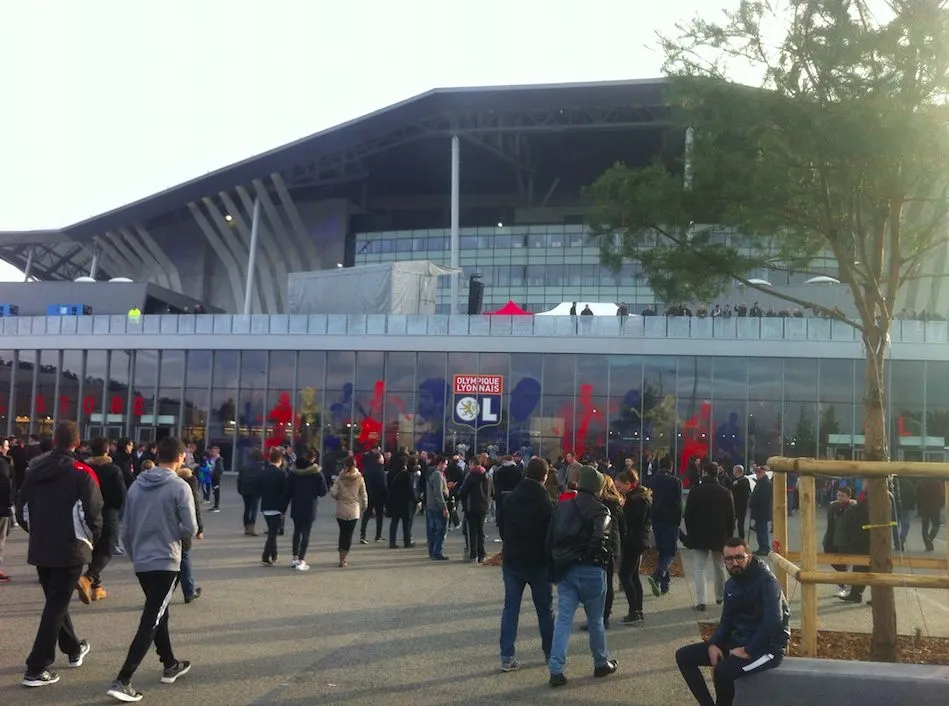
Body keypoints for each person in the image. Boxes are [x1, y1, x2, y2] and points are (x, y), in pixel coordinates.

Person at [107, 436, 196, 702]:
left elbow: (126, 528)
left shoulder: (136, 486)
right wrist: (171, 533)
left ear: (158, 455)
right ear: (180, 458)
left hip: (143, 560)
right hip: (166, 559)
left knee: (159, 612)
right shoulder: (180, 486)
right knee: (152, 617)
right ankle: (124, 678)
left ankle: (169, 663)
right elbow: (190, 528)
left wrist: (135, 554)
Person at [16, 422, 103, 688]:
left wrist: (36, 532)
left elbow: (22, 508)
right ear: (77, 444)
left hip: (42, 546)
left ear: (54, 440)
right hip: (70, 547)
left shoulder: (34, 471)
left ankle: (74, 648)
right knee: (55, 604)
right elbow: (94, 515)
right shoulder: (82, 473)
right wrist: (89, 541)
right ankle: (36, 666)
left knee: (56, 600)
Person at [675, 537, 790, 706]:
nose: (734, 562)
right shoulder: (731, 585)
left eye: (739, 557)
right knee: (684, 656)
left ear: (748, 557)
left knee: (722, 672)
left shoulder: (767, 582)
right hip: (740, 641)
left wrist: (749, 650)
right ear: (724, 560)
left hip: (767, 648)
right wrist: (714, 643)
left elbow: (773, 620)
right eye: (729, 559)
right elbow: (727, 620)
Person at [546, 465, 617, 687]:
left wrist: (555, 568)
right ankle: (600, 662)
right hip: (592, 570)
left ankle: (556, 669)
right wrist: (588, 557)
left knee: (564, 620)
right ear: (597, 487)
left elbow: (550, 538)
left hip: (566, 568)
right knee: (595, 620)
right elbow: (600, 539)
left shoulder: (562, 507)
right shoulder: (601, 510)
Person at [498, 457, 555, 672]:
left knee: (511, 608)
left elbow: (502, 528)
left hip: (513, 558)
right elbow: (551, 534)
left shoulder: (511, 498)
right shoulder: (546, 502)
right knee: (545, 609)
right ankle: (550, 653)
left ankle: (506, 655)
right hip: (538, 561)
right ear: (545, 476)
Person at [78, 438, 127, 602]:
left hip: (87, 511)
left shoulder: (85, 468)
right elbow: (120, 494)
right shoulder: (113, 470)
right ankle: (88, 577)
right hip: (108, 511)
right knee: (107, 548)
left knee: (94, 548)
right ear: (107, 451)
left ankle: (96, 588)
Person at [683, 463, 736, 611]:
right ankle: (720, 596)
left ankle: (701, 601)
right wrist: (729, 536)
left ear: (705, 472)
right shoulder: (725, 492)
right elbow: (731, 517)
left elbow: (688, 515)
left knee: (699, 568)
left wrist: (690, 533)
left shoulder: (695, 491)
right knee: (719, 566)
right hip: (720, 535)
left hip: (699, 534)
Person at [615, 469, 652, 622]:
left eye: (620, 487)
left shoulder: (636, 500)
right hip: (638, 539)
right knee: (634, 575)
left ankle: (634, 611)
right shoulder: (640, 496)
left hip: (633, 540)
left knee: (624, 575)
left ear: (629, 484)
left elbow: (633, 520)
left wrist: (622, 508)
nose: (618, 490)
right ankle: (638, 609)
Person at [287, 444, 328, 571]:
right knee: (306, 533)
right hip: (310, 505)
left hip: (296, 504)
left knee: (297, 531)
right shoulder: (316, 473)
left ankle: (294, 557)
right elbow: (323, 492)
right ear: (314, 458)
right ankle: (301, 559)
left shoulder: (294, 472)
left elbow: (288, 490)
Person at [645, 462, 682, 596]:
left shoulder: (651, 481)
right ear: (671, 468)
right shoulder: (675, 482)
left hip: (656, 518)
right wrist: (678, 521)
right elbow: (678, 503)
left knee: (662, 551)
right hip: (670, 520)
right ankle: (658, 575)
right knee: (670, 552)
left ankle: (664, 584)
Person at [330, 456, 368, 567]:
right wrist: (364, 506)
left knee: (342, 533)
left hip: (341, 508)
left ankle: (341, 556)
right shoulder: (359, 478)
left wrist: (339, 497)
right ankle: (344, 557)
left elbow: (333, 492)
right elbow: (363, 494)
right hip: (354, 509)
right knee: (349, 534)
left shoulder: (340, 478)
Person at [175, 461, 204, 604]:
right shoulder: (190, 490)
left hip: (170, 528)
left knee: (175, 559)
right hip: (183, 529)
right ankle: (189, 590)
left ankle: (186, 589)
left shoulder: (173, 487)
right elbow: (196, 510)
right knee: (184, 558)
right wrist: (200, 529)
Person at [834, 491, 871, 604]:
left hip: (867, 538)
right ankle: (855, 594)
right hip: (860, 537)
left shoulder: (878, 495)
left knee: (872, 568)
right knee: (860, 568)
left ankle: (859, 594)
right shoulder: (864, 496)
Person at [258, 447, 289, 567]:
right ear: (280, 460)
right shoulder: (281, 474)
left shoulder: (263, 472)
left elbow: (258, 488)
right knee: (273, 533)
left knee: (272, 531)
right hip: (277, 506)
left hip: (265, 505)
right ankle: (265, 556)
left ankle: (274, 554)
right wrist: (284, 508)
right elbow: (285, 492)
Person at [823, 486, 856, 597]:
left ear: (849, 497)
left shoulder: (853, 508)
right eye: (838, 495)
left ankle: (844, 585)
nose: (839, 498)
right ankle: (845, 582)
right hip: (833, 538)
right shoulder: (833, 507)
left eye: (842, 496)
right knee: (835, 562)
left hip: (847, 540)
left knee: (844, 563)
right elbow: (830, 525)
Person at [457, 462, 490, 563]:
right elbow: (491, 492)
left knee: (472, 532)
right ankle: (482, 554)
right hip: (483, 507)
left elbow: (463, 491)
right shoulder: (487, 477)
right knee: (481, 531)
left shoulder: (471, 476)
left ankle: (473, 554)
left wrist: (460, 495)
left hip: (471, 507)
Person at [387, 454, 418, 549]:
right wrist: (416, 501)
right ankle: (407, 542)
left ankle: (392, 542)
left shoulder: (394, 473)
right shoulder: (407, 475)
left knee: (394, 521)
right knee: (406, 523)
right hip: (405, 503)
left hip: (395, 500)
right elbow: (410, 490)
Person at [359, 446, 387, 544]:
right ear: (378, 459)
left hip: (369, 494)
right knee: (379, 516)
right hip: (378, 496)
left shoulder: (367, 469)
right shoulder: (380, 470)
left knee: (366, 515)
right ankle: (378, 535)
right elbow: (382, 484)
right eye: (382, 458)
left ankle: (363, 535)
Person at [425, 456, 450, 560]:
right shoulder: (438, 475)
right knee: (441, 530)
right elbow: (438, 493)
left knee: (432, 530)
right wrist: (444, 508)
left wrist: (446, 487)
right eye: (445, 464)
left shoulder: (431, 473)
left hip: (430, 505)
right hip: (437, 506)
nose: (446, 466)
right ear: (440, 463)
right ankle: (437, 551)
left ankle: (432, 551)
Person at [237, 448, 264, 536]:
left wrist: (240, 489)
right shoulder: (260, 466)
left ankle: (246, 527)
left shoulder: (244, 465)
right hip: (256, 490)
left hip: (245, 489)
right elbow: (261, 479)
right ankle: (251, 527)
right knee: (254, 509)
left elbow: (239, 479)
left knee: (247, 508)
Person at [748, 466, 773, 556]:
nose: (757, 474)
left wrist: (753, 502)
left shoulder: (766, 484)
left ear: (763, 473)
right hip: (759, 511)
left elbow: (763, 498)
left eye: (759, 473)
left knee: (762, 530)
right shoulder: (761, 482)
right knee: (759, 530)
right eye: (756, 472)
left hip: (762, 511)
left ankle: (765, 548)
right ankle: (761, 547)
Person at [0, 436, 13, 583]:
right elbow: (5, 484)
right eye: (6, 446)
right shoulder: (2, 464)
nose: (8, 448)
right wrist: (9, 504)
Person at [730, 465, 751, 540]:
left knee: (740, 523)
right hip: (735, 504)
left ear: (737, 471)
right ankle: (730, 538)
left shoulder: (744, 481)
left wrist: (735, 485)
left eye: (734, 470)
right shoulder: (734, 479)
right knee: (732, 523)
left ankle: (741, 539)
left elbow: (733, 488)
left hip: (740, 505)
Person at [208, 446, 224, 512]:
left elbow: (220, 469)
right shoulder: (212, 458)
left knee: (216, 491)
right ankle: (215, 506)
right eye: (212, 451)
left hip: (216, 477)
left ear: (217, 452)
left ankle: (217, 506)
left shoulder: (219, 459)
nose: (212, 453)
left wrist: (215, 473)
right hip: (212, 476)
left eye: (214, 452)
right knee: (214, 491)